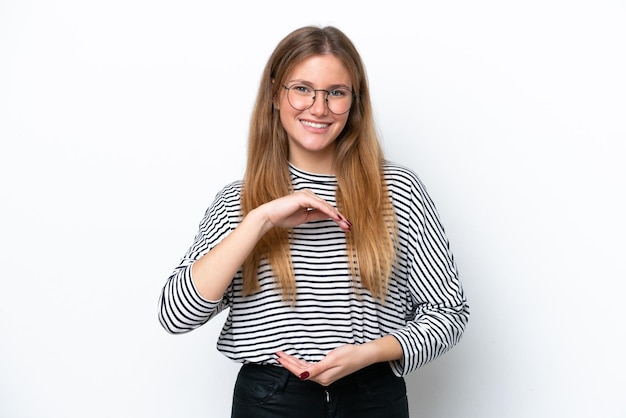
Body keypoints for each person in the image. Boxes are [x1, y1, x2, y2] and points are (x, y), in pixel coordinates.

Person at [158, 25, 469, 418]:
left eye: (335, 93)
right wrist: (261, 219)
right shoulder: (239, 202)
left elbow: (449, 313)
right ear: (275, 94)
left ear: (354, 102)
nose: (318, 108)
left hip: (373, 396)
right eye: (302, 88)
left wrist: (370, 354)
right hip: (270, 401)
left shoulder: (398, 190)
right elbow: (175, 314)